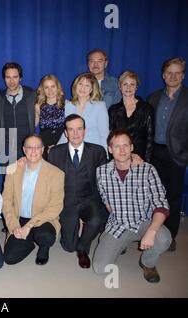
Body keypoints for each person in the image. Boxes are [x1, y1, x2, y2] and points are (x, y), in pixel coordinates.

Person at [94, 129, 171, 283]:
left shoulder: (147, 170)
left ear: (132, 148)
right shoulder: (101, 172)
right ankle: (116, 242)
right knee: (100, 268)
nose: (122, 150)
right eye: (117, 146)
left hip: (144, 222)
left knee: (163, 239)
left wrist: (151, 230)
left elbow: (161, 204)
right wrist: (115, 223)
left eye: (125, 146)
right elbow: (106, 201)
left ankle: (147, 263)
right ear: (110, 149)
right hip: (119, 225)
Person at [48, 114, 107, 268]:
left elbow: (108, 175)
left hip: (89, 199)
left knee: (96, 220)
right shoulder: (54, 153)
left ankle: (83, 248)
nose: (75, 134)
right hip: (66, 201)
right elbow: (45, 176)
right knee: (68, 247)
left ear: (85, 131)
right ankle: (73, 240)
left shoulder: (97, 151)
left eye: (79, 129)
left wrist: (132, 159)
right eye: (71, 130)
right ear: (66, 133)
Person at [2, 134, 64, 265]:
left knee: (45, 236)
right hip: (20, 218)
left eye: (37, 147)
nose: (33, 151)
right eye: (30, 147)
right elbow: (6, 202)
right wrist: (14, 227)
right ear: (24, 150)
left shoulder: (56, 174)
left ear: (42, 149)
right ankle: (28, 240)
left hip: (43, 218)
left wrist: (30, 225)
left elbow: (56, 207)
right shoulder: (12, 170)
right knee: (9, 258)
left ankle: (43, 247)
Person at [148, 57, 188, 252]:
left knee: (172, 196)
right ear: (163, 75)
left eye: (177, 72)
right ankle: (152, 231)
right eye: (169, 72)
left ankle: (170, 235)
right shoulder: (154, 98)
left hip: (176, 155)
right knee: (153, 194)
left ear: (183, 75)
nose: (173, 76)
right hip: (155, 153)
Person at [109, 71, 154, 162]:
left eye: (132, 84)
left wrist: (146, 161)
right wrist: (112, 159)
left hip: (139, 158)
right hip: (118, 157)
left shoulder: (146, 108)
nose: (128, 87)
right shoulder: (113, 110)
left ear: (136, 87)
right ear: (120, 86)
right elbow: (110, 136)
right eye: (125, 84)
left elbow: (150, 138)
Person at [58, 72, 109, 153]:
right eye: (80, 84)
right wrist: (56, 148)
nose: (83, 88)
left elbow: (104, 135)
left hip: (93, 151)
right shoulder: (68, 105)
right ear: (75, 86)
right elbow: (66, 133)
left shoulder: (99, 106)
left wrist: (104, 155)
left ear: (91, 89)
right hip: (72, 150)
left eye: (87, 86)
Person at [0, 62, 36, 164]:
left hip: (27, 147)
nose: (11, 81)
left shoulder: (32, 95)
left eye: (15, 77)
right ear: (4, 78)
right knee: (7, 179)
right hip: (5, 149)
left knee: (27, 179)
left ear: (20, 78)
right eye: (8, 77)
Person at [34, 74, 65, 155]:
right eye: (46, 87)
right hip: (44, 144)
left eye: (53, 86)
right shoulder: (38, 106)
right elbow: (32, 126)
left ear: (57, 87)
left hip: (62, 143)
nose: (50, 90)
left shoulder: (66, 105)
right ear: (42, 89)